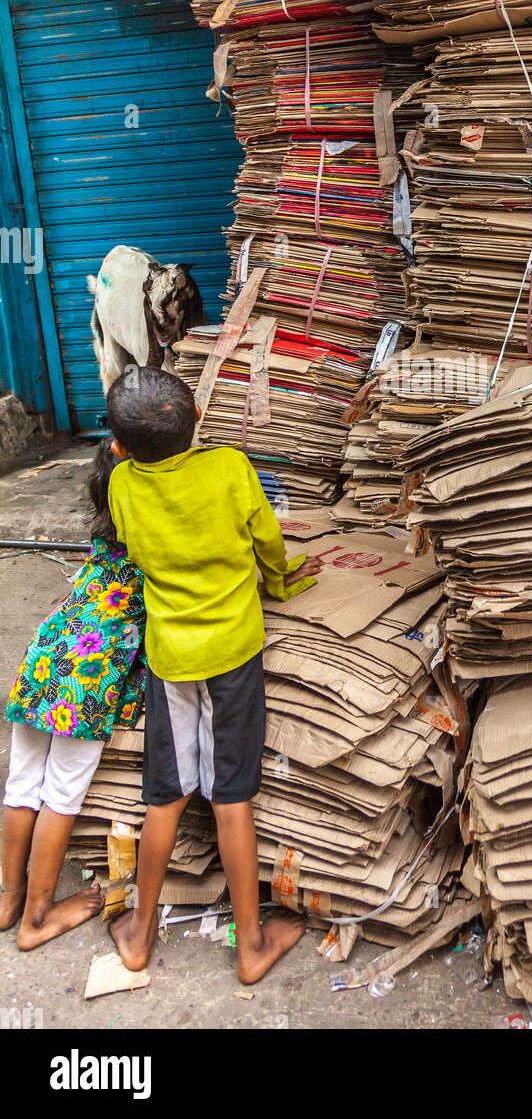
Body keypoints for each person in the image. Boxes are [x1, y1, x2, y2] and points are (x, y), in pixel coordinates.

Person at [104, 365, 322, 984]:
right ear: (197, 420)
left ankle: (140, 932)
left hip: (171, 657)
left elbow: (129, 542)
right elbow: (268, 541)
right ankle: (249, 946)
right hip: (233, 653)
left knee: (165, 795)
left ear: (118, 445)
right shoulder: (230, 468)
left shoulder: (121, 482)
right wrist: (280, 579)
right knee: (232, 796)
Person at [1, 439, 146, 948]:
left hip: (44, 655)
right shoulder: (153, 542)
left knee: (22, 784)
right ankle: (37, 917)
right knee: (61, 795)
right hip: (90, 677)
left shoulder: (103, 536)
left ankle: (10, 896)